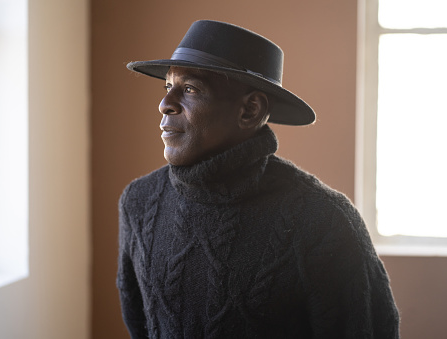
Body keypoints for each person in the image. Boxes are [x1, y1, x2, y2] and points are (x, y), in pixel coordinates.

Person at [117, 20, 399, 338]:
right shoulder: (139, 203)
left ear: (250, 110)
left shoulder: (323, 220)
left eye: (191, 89)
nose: (165, 104)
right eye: (169, 87)